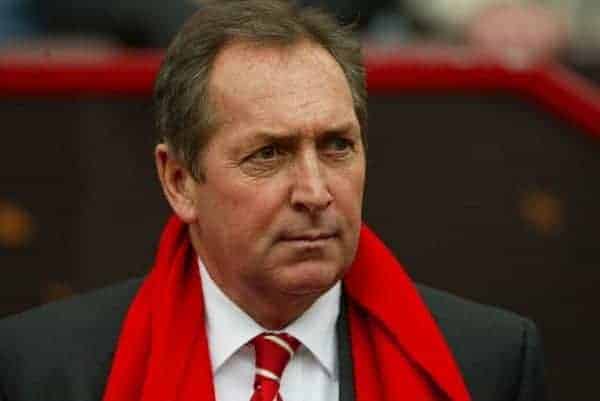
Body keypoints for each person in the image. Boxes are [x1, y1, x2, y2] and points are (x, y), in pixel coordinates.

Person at [0, 1, 547, 400]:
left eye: (337, 146)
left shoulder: (487, 361)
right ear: (179, 181)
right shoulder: (45, 370)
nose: (315, 192)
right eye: (268, 154)